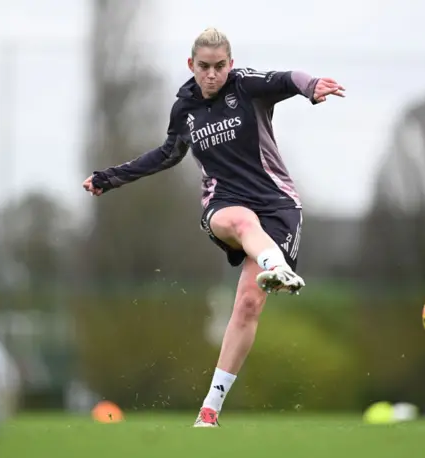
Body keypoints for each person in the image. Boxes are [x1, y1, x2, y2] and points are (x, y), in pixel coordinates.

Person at [82, 27, 345, 427]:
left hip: (278, 206)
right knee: (241, 220)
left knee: (248, 305)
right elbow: (166, 155)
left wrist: (311, 87)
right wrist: (110, 177)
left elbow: (288, 79)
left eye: (220, 66)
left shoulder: (247, 86)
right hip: (223, 205)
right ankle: (277, 266)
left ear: (231, 63)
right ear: (191, 65)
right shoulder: (185, 109)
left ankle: (210, 409)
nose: (212, 75)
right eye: (204, 67)